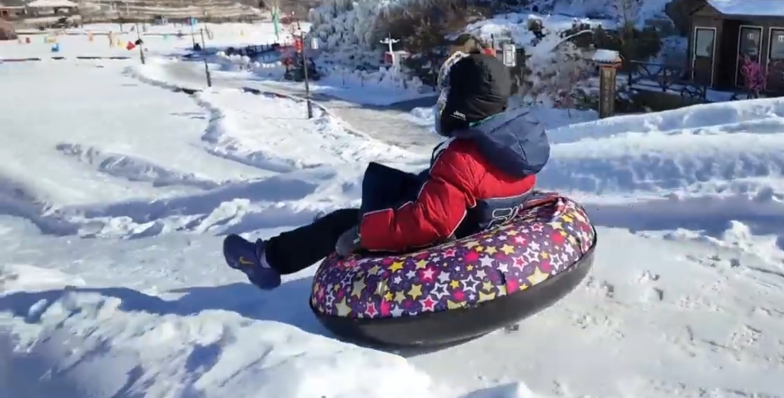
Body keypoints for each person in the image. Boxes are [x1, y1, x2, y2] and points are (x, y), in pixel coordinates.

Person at [223, 51, 550, 289]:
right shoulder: (513, 146)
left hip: (441, 241)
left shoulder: (463, 158)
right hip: (467, 220)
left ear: (465, 104)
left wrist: (363, 233)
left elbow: (429, 223)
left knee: (339, 223)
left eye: (449, 95)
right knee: (389, 185)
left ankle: (264, 260)